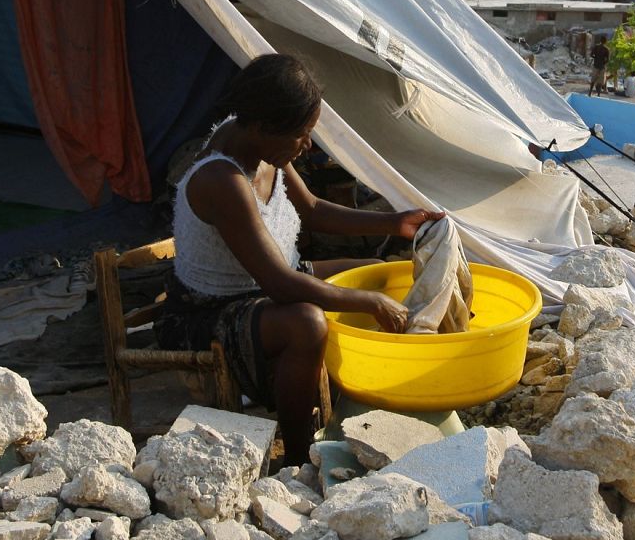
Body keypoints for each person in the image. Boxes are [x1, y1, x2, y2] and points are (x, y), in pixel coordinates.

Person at [157, 54, 443, 464]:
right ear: (261, 126)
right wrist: (370, 304)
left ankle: (360, 407)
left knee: (377, 275)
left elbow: (311, 209)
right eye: (300, 135)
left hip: (268, 282)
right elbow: (280, 286)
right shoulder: (222, 180)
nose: (306, 146)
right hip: (208, 312)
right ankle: (296, 455)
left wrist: (396, 223)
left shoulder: (260, 144)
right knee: (308, 323)